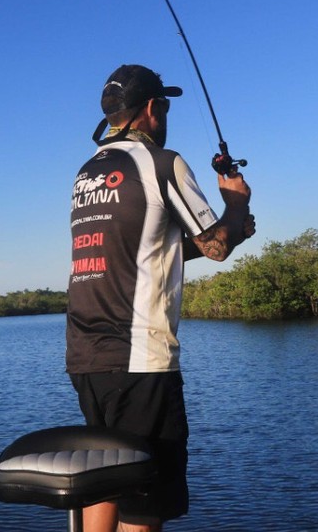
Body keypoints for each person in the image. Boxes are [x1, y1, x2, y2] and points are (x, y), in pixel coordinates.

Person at [66, 64, 255, 532]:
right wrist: (236, 205)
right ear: (153, 108)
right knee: (145, 503)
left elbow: (145, 254)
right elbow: (215, 246)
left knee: (105, 480)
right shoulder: (162, 163)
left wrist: (227, 232)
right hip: (141, 361)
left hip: (86, 359)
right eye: (165, 106)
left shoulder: (86, 174)